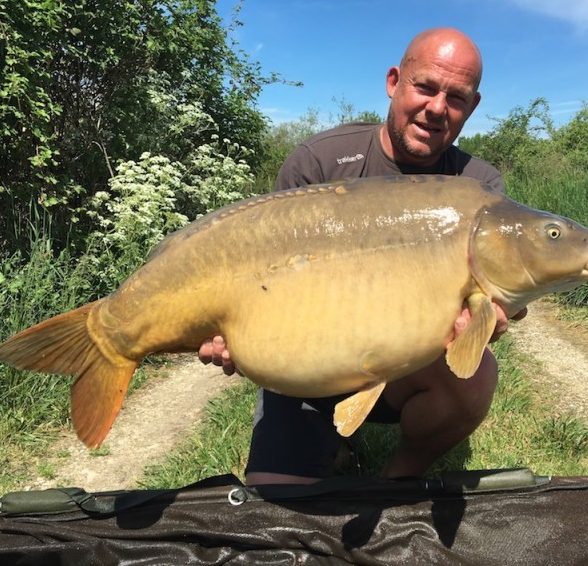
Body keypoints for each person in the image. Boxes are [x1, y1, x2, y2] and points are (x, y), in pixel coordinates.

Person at [199, 27, 526, 485]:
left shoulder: (478, 187)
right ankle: (326, 436)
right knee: (278, 503)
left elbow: (490, 304)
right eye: (425, 87)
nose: (436, 108)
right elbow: (260, 272)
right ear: (395, 82)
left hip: (402, 366)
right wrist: (232, 328)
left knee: (475, 378)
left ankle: (393, 481)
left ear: (471, 107)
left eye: (456, 97)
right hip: (307, 361)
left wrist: (485, 322)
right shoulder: (319, 161)